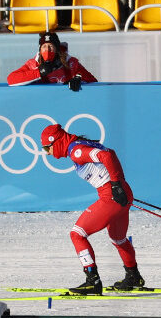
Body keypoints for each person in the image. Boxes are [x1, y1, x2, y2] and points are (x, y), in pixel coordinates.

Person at [39, 123, 145, 295]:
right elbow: (110, 154)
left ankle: (92, 280)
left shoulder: (76, 151)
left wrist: (116, 184)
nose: (47, 153)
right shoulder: (78, 146)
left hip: (111, 195)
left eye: (46, 148)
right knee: (118, 239)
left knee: (77, 234)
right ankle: (133, 276)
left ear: (56, 141)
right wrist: (119, 186)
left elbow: (107, 155)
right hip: (120, 193)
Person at [7, 31, 98, 89]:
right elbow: (11, 79)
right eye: (44, 47)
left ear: (57, 49)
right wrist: (39, 72)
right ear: (40, 49)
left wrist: (79, 79)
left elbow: (93, 81)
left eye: (50, 46)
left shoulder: (70, 63)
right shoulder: (33, 64)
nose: (47, 50)